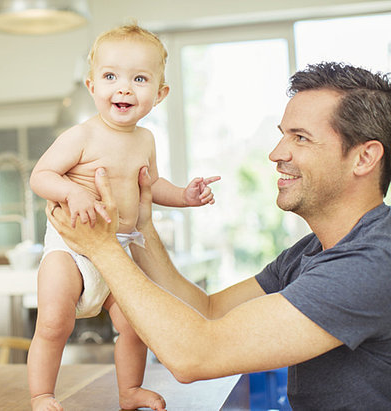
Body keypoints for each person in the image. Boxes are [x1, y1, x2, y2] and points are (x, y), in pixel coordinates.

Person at [47, 61, 391, 410]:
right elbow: (209, 311)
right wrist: (142, 226)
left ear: (364, 158)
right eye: (283, 134)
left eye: (300, 138)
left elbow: (195, 354)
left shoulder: (372, 263)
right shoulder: (313, 251)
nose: (276, 154)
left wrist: (103, 249)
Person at [27, 24, 219, 411]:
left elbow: (150, 184)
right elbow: (40, 176)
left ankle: (129, 391)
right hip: (72, 249)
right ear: (92, 85)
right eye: (111, 76)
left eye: (140, 79)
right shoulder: (81, 136)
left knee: (136, 326)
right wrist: (73, 191)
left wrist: (183, 195)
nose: (124, 88)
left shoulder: (145, 140)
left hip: (118, 250)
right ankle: (42, 395)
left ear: (160, 93)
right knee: (53, 324)